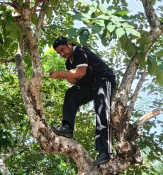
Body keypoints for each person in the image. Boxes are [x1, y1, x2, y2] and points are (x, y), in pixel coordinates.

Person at [49, 36, 116, 165]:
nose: (62, 54)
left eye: (63, 50)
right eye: (59, 53)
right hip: (89, 85)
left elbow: (80, 71)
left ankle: (106, 152)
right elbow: (75, 79)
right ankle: (67, 128)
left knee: (101, 111)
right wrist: (62, 76)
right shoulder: (69, 63)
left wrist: (61, 73)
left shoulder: (80, 50)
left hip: (103, 79)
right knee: (71, 94)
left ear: (69, 44)